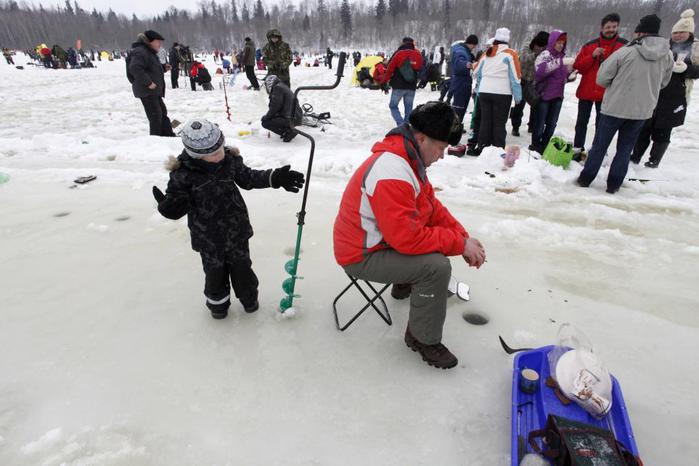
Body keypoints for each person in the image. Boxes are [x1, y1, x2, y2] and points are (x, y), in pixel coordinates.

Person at [333, 102, 485, 369]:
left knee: (434, 240)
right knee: (436, 267)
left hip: (382, 241)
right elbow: (408, 239)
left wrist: (463, 238)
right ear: (421, 138)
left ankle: (404, 281)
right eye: (440, 148)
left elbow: (431, 208)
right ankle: (421, 338)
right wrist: (458, 244)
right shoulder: (393, 170)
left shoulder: (408, 159)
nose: (442, 155)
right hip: (362, 253)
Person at [152, 119, 305, 319]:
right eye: (212, 154)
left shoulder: (229, 161)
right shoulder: (183, 175)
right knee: (215, 274)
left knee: (243, 269)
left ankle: (249, 299)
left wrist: (275, 177)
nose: (219, 156)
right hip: (208, 238)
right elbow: (178, 204)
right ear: (196, 155)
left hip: (236, 230)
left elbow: (248, 178)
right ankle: (218, 306)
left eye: (220, 150)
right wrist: (169, 207)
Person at [577, 15, 674, 193]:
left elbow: (602, 78)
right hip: (641, 110)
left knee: (600, 145)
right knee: (625, 148)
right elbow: (664, 82)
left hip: (614, 107)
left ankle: (586, 179)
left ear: (642, 32)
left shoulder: (626, 51)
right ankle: (613, 185)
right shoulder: (667, 55)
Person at [631, 9, 699, 168]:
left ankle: (654, 161)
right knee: (644, 127)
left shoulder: (695, 49)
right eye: (675, 32)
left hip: (675, 95)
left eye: (682, 32)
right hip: (655, 90)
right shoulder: (664, 45)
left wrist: (685, 69)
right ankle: (635, 156)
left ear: (689, 32)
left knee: (663, 130)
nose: (678, 35)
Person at [572, 13, 627, 159]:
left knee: (602, 125)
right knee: (581, 122)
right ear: (602, 28)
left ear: (617, 27)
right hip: (587, 91)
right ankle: (578, 148)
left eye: (613, 27)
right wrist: (592, 56)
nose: (610, 29)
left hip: (607, 93)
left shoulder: (624, 46)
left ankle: (599, 151)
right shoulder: (589, 45)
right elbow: (578, 67)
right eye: (608, 27)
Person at [472, 28, 522, 153]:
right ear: (507, 41)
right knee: (499, 123)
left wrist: (479, 88)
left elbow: (476, 71)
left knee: (485, 121)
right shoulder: (511, 54)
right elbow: (515, 77)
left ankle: (482, 147)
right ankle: (497, 150)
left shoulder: (486, 53)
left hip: (484, 92)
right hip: (502, 93)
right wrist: (517, 97)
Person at [530, 30, 574, 153]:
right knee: (540, 123)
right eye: (558, 42)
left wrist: (571, 74)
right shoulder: (545, 54)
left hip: (558, 96)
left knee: (552, 124)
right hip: (544, 96)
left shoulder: (563, 57)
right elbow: (539, 73)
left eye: (563, 43)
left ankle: (544, 146)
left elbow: (562, 77)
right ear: (552, 42)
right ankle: (535, 145)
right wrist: (559, 63)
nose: (560, 45)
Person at [126, 30, 176, 137]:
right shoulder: (141, 51)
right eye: (158, 41)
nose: (160, 44)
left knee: (162, 113)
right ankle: (156, 139)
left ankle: (167, 135)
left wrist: (163, 68)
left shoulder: (148, 51)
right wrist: (148, 83)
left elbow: (150, 68)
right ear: (150, 41)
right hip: (147, 90)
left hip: (153, 90)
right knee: (155, 116)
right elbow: (135, 68)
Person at [510, 31, 549, 137]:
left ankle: (532, 126)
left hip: (534, 82)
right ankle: (515, 127)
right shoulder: (527, 46)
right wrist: (536, 55)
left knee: (535, 105)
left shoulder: (546, 51)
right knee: (519, 105)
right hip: (522, 80)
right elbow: (523, 59)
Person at [381, 37, 423, 125]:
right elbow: (421, 68)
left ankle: (401, 124)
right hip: (411, 86)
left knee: (393, 106)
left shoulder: (399, 53)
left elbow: (390, 69)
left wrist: (384, 82)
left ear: (403, 43)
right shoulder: (418, 54)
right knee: (408, 107)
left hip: (398, 86)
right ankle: (406, 126)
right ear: (412, 43)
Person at [261, 75, 303, 142]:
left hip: (290, 118)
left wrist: (266, 117)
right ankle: (288, 130)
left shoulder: (277, 88)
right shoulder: (281, 86)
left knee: (265, 122)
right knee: (271, 118)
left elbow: (275, 106)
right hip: (294, 116)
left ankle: (288, 132)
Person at [450, 35, 479, 123]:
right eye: (474, 45)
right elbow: (459, 62)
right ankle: (454, 127)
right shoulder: (460, 51)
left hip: (464, 81)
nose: (474, 48)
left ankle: (457, 125)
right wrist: (467, 64)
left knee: (462, 106)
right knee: (459, 106)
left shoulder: (465, 51)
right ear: (471, 43)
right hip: (460, 82)